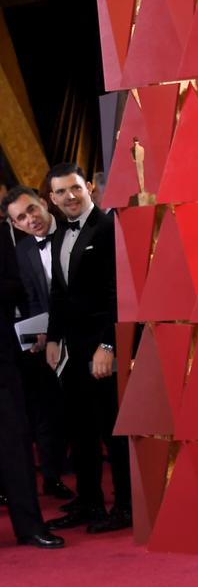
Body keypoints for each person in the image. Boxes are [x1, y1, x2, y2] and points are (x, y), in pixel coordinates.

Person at [43, 164, 131, 534]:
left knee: (113, 428)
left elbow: (119, 292)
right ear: (52, 198)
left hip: (102, 346)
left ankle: (127, 506)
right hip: (71, 351)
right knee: (79, 428)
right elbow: (59, 295)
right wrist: (51, 337)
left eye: (75, 189)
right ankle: (90, 501)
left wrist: (109, 344)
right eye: (61, 192)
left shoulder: (109, 227)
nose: (70, 197)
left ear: (89, 187)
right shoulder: (61, 232)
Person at [3, 186, 74, 501]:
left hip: (84, 337)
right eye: (21, 218)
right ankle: (52, 476)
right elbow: (32, 299)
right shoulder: (23, 252)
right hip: (48, 342)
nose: (30, 220)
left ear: (44, 203)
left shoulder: (73, 233)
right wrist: (40, 334)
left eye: (32, 210)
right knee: (48, 413)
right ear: (15, 225)